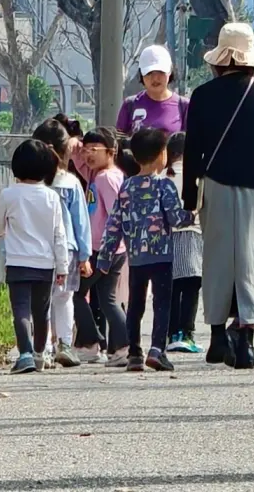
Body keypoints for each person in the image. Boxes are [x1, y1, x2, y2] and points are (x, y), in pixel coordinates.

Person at [182, 23, 254, 369]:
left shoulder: (202, 95)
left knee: (218, 259)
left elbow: (193, 151)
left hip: (217, 184)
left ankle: (216, 336)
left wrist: (187, 198)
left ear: (219, 58)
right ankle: (247, 339)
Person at [97, 128, 192, 372]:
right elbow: (175, 218)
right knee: (162, 304)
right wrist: (192, 214)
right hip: (161, 257)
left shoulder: (126, 187)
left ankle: (135, 353)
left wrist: (105, 257)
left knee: (135, 305)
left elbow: (114, 222)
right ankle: (157, 350)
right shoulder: (165, 186)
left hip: (136, 257)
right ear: (163, 154)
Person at [0, 139, 68, 375]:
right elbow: (59, 234)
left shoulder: (9, 194)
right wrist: (62, 266)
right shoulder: (51, 197)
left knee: (20, 309)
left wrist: (1, 232)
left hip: (17, 262)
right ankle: (39, 354)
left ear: (16, 166)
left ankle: (24, 354)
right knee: (41, 311)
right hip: (45, 264)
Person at [32, 118, 92, 369]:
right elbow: (81, 222)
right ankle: (65, 345)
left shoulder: (29, 183)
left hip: (36, 249)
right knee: (64, 298)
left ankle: (42, 349)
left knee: (41, 300)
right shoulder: (70, 183)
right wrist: (85, 255)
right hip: (66, 249)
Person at [74, 129, 129, 365]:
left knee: (75, 293)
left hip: (102, 249)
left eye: (94, 150)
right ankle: (122, 349)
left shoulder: (105, 179)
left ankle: (92, 342)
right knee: (108, 299)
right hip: (112, 249)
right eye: (86, 150)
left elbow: (115, 215)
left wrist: (106, 248)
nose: (88, 155)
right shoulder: (103, 175)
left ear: (111, 151)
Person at [165, 132, 205, 354]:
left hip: (168, 235)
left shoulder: (163, 175)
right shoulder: (197, 176)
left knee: (173, 286)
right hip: (193, 233)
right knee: (191, 285)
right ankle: (186, 332)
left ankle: (171, 333)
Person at [116, 44, 189, 136]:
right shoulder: (130, 104)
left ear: (170, 72)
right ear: (141, 74)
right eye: (149, 73)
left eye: (161, 72)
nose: (155, 78)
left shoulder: (184, 106)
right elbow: (119, 143)